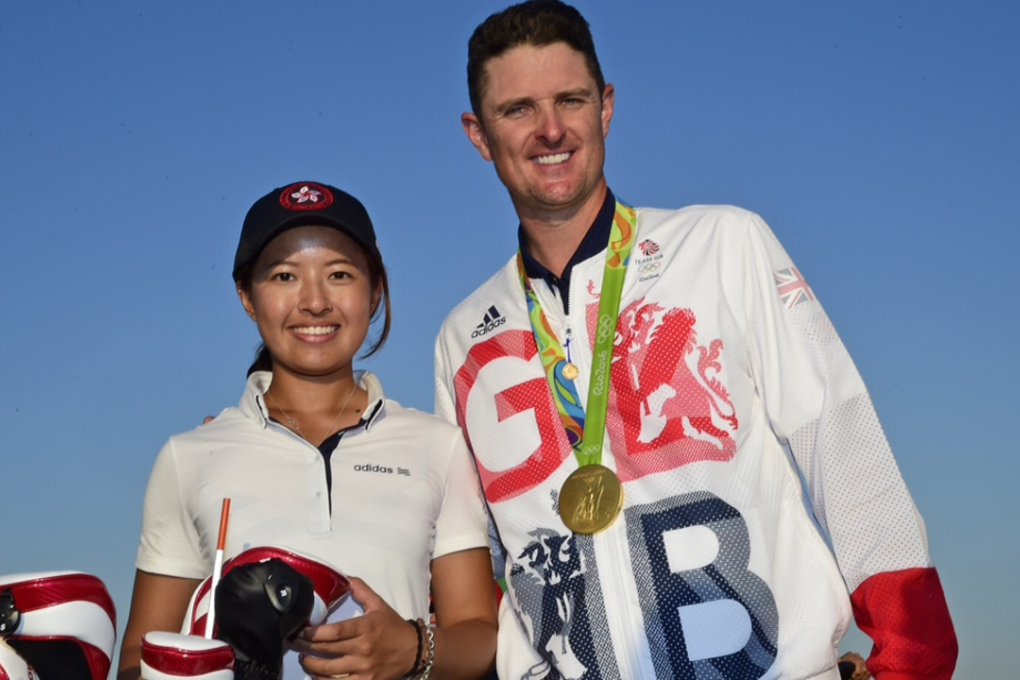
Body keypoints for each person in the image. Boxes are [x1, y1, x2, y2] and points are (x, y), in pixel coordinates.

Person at [433, 2, 958, 679]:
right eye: (519, 110)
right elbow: (481, 571)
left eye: (571, 99)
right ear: (478, 134)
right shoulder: (461, 336)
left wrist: (912, 660)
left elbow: (842, 443)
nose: (551, 129)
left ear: (607, 107)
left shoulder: (723, 243)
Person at [119, 181, 497, 680]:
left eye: (339, 274)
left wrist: (412, 648)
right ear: (247, 297)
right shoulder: (187, 457)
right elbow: (135, 660)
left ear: (376, 289)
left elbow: (481, 637)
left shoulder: (437, 444)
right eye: (283, 276)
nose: (314, 302)